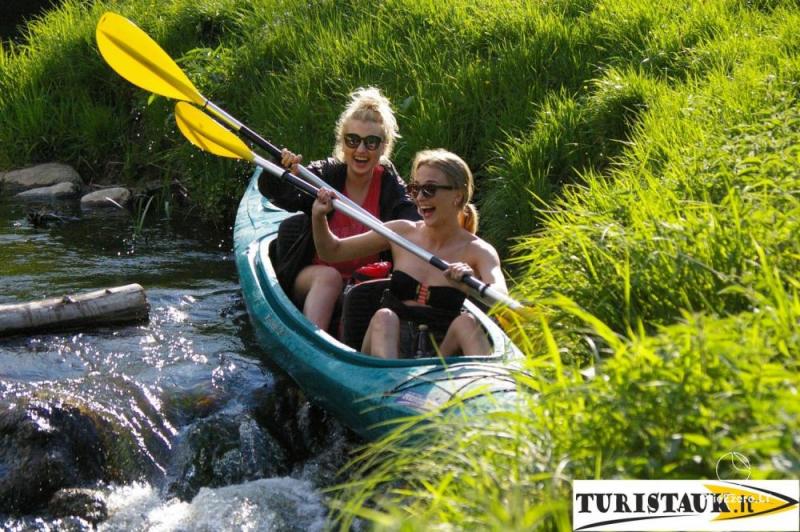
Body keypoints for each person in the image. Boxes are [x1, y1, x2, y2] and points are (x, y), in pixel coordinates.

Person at [311, 149, 508, 358]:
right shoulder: (401, 232)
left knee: (467, 323)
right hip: (387, 346)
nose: (420, 198)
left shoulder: (478, 250)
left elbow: (501, 297)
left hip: (439, 355)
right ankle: (393, 388)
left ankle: (495, 387)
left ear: (457, 196)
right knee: (384, 317)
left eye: (429, 189)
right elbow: (332, 251)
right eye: (415, 189)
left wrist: (471, 287)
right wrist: (319, 216)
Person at [258, 87, 419, 331]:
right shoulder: (326, 174)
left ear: (384, 147)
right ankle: (314, 345)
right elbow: (280, 194)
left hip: (366, 282)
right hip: (313, 277)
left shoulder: (390, 185)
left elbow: (413, 221)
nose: (361, 150)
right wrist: (280, 168)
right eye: (352, 140)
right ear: (342, 143)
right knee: (329, 278)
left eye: (371, 142)